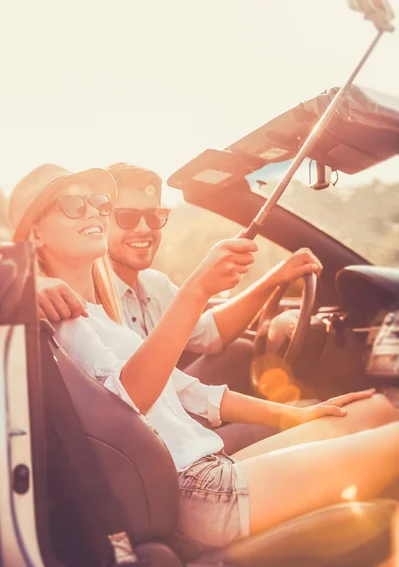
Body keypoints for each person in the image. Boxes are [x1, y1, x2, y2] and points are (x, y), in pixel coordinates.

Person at [9, 163, 399, 549]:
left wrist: (299, 414)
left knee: (378, 410)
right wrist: (194, 292)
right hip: (196, 489)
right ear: (36, 233)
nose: (93, 210)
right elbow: (128, 401)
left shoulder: (99, 315)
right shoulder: (57, 316)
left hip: (206, 469)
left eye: (97, 202)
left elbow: (186, 390)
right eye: (73, 204)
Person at [34, 162, 318, 452]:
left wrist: (274, 279)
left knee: (240, 354)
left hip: (175, 422)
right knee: (307, 428)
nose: (144, 228)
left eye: (154, 216)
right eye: (128, 217)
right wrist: (32, 284)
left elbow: (208, 337)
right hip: (153, 449)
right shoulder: (71, 300)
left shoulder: (153, 284)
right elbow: (129, 400)